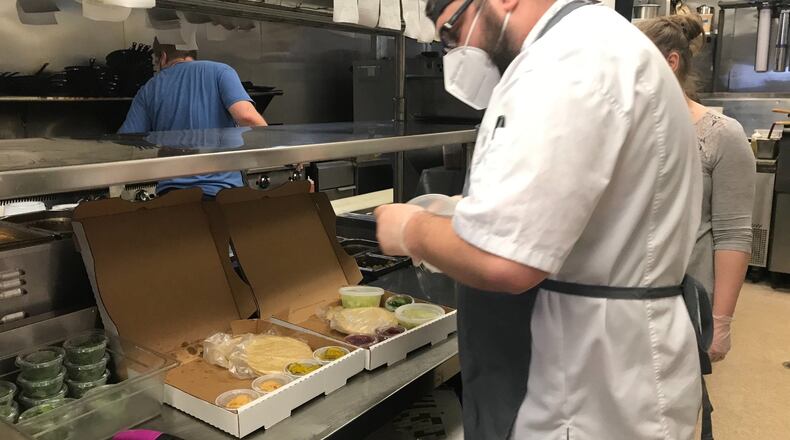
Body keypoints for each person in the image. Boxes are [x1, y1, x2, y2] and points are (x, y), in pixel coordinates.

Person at [374, 0, 711, 438]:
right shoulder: (598, 42)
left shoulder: (566, 62)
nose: (454, 52)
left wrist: (410, 229)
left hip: (592, 378)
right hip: (613, 353)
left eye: (452, 31)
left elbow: (505, 263)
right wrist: (468, 213)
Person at [637, 15, 755, 364]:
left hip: (683, 303)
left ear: (671, 62)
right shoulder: (624, 128)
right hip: (620, 305)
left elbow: (733, 235)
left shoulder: (721, 135)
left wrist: (720, 323)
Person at [118, 38, 267, 197]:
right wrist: (278, 156)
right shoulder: (221, 71)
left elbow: (127, 142)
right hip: (225, 192)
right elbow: (247, 117)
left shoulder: (149, 88)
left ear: (162, 57)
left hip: (173, 196)